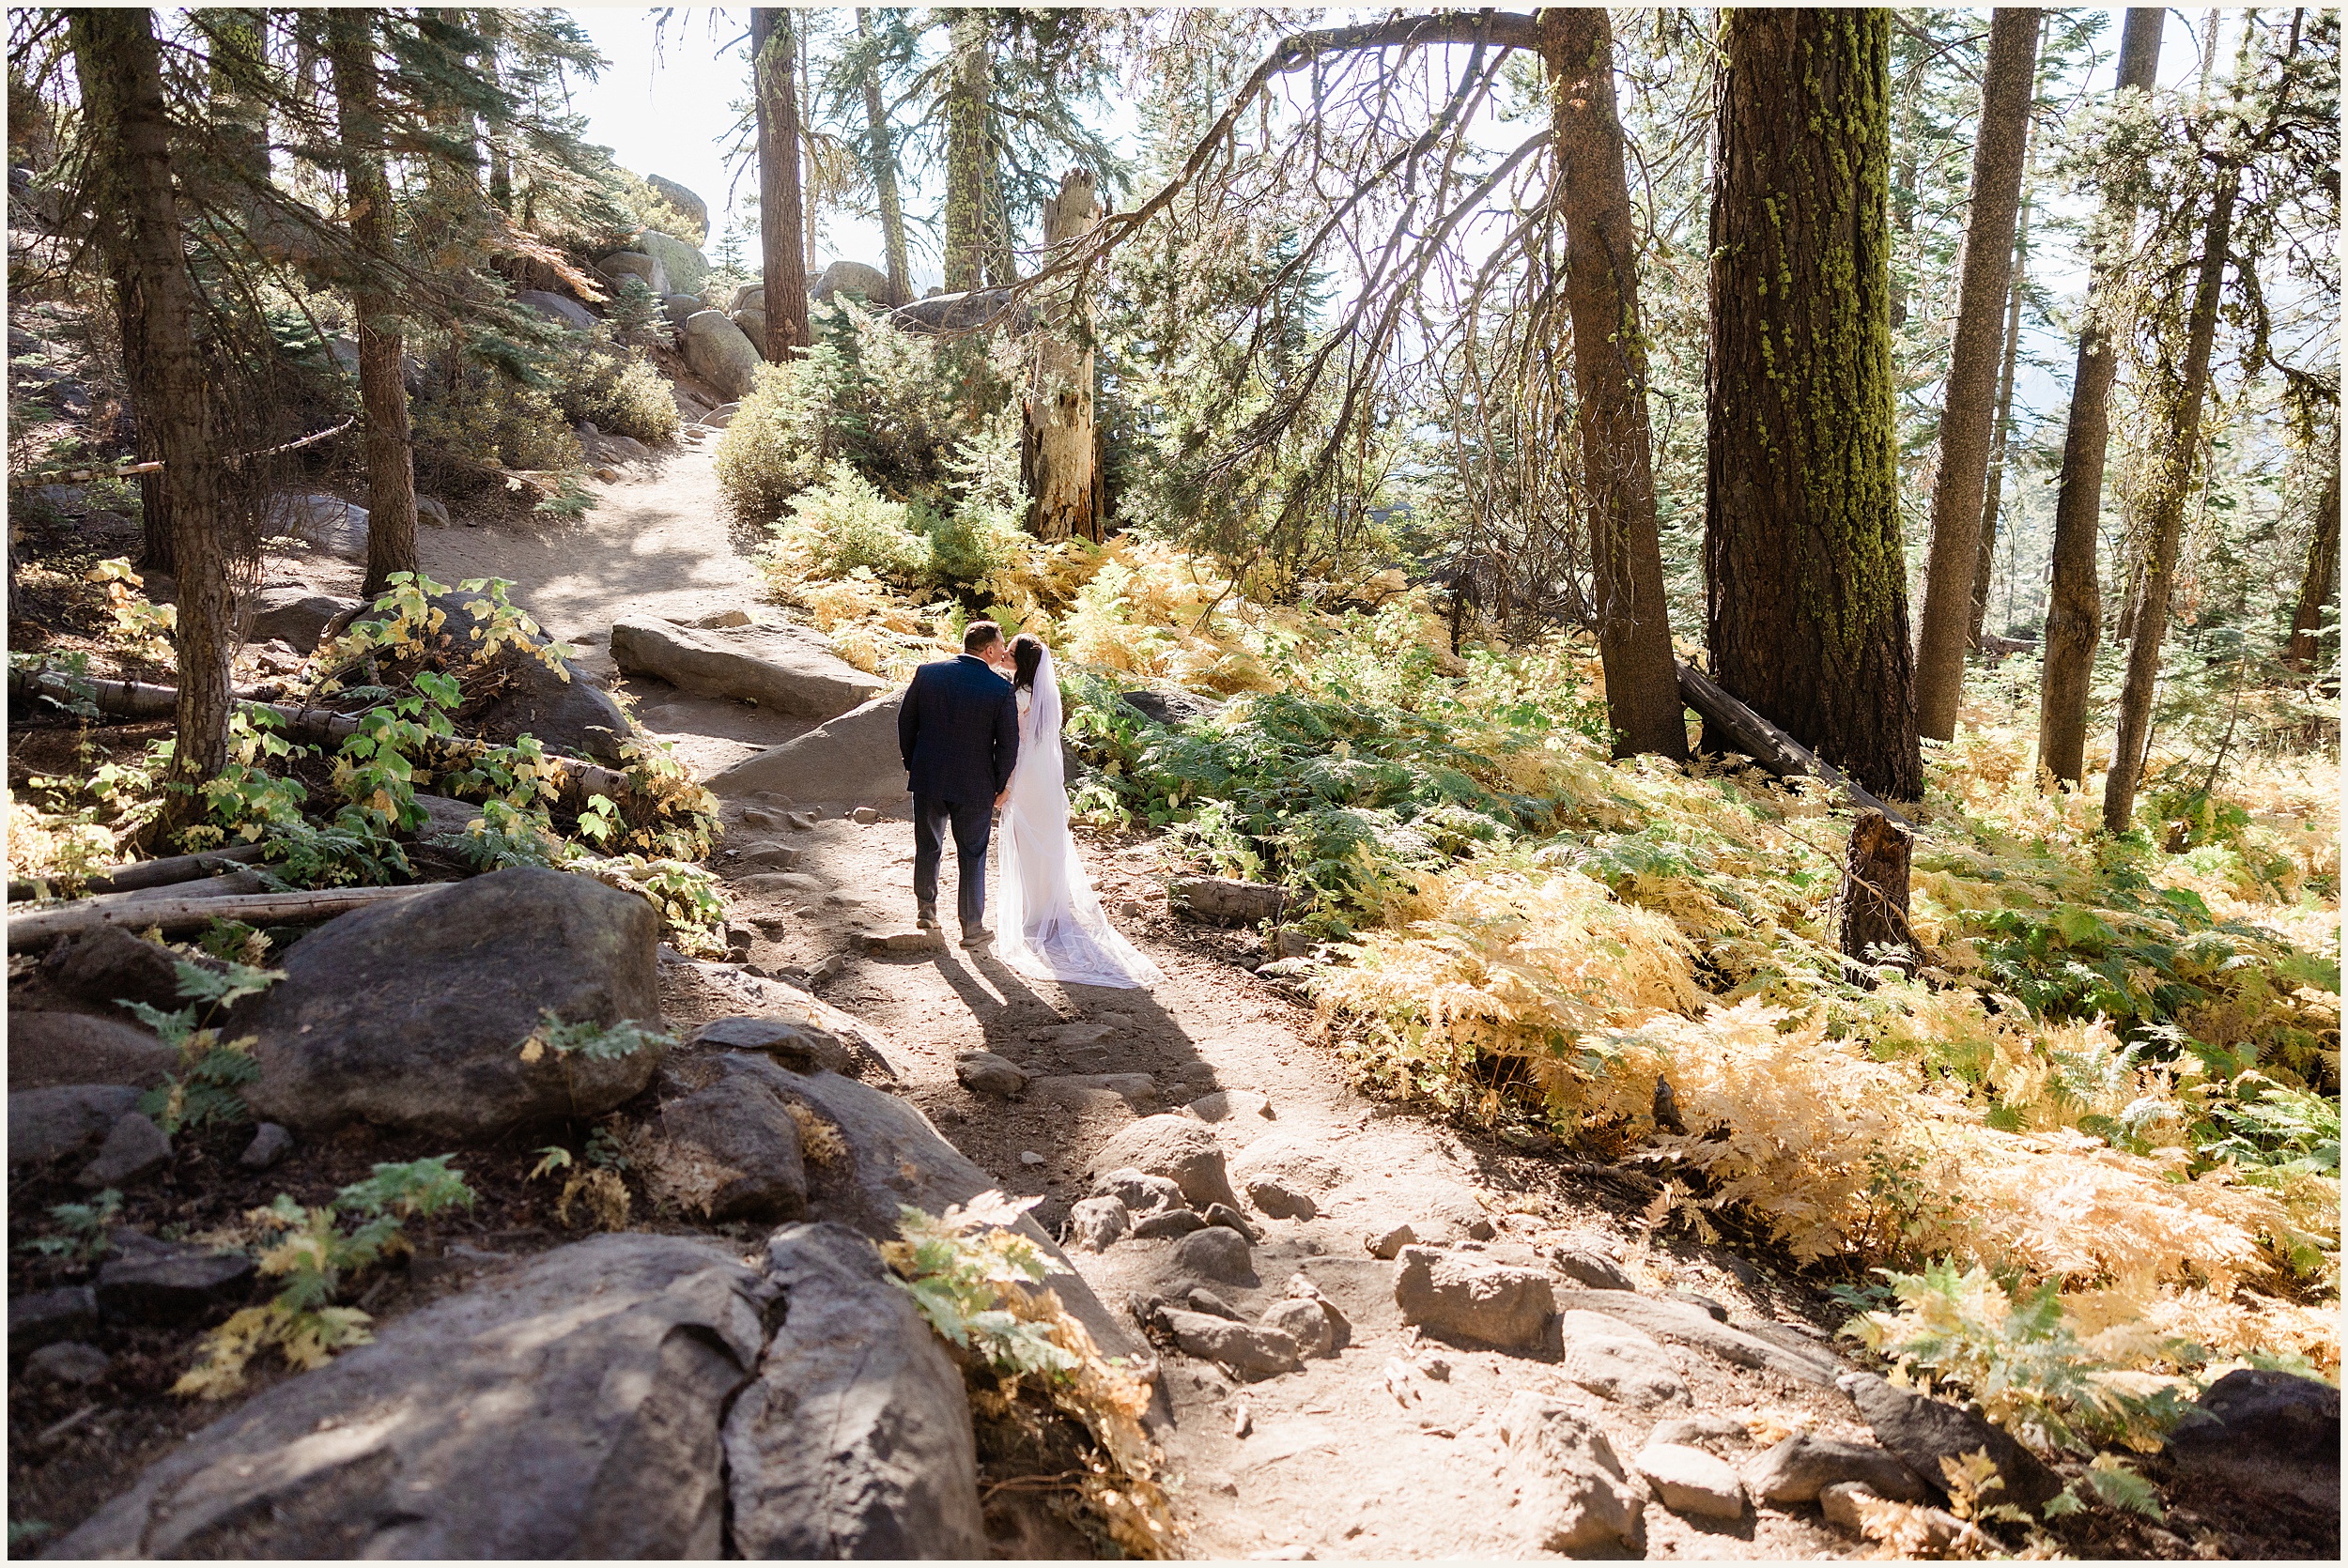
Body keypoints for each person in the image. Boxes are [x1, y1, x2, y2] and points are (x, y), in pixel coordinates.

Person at [995, 634, 1163, 990]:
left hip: (1025, 773)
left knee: (1027, 841)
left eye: (1010, 652)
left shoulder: (1018, 695)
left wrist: (1007, 784)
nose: (1004, 655)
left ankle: (1032, 915)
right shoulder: (1037, 694)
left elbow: (1015, 745)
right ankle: (1044, 910)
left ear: (1021, 661)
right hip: (1045, 774)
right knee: (1043, 839)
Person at [899, 621, 1020, 946]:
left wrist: (914, 763)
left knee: (928, 845)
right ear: (990, 650)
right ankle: (972, 928)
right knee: (972, 854)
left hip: (928, 777)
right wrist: (998, 784)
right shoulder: (999, 689)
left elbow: (906, 721)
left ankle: (926, 910)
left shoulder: (928, 673)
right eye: (1002, 644)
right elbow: (1008, 744)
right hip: (975, 785)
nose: (1005, 650)